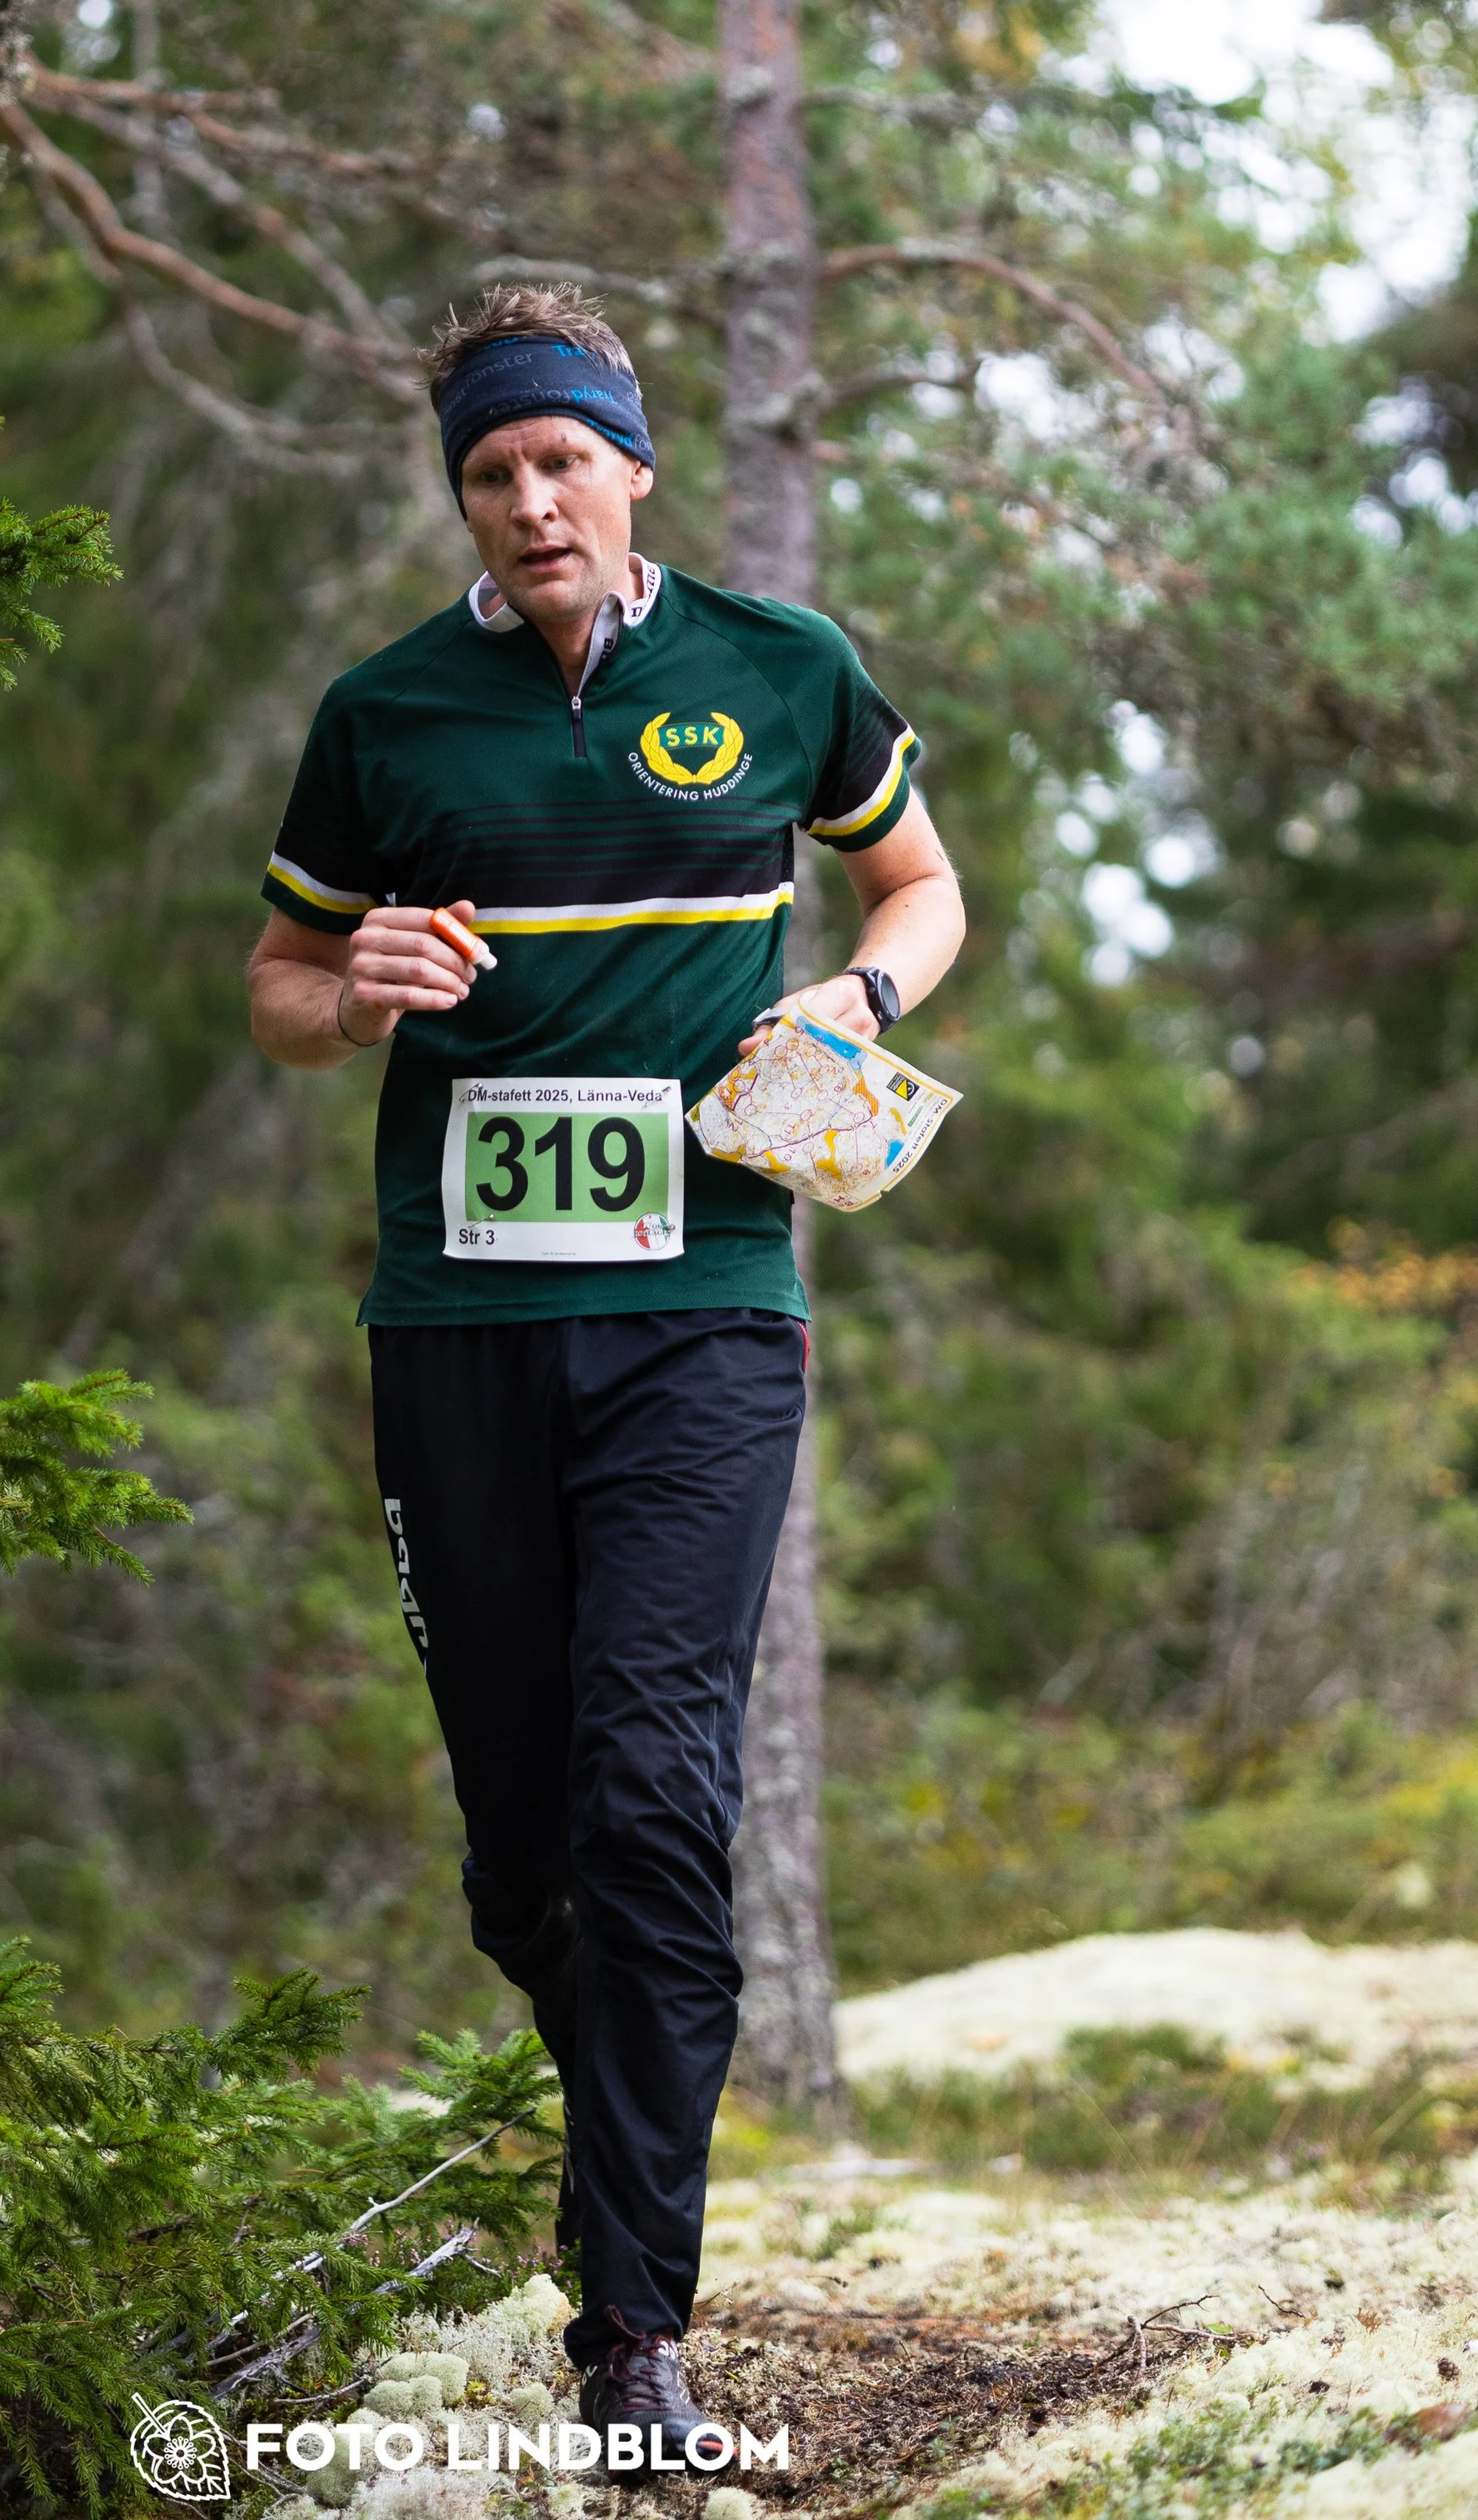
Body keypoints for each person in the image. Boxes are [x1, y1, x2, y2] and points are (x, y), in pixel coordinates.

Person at [247, 282, 964, 2450]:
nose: (530, 497)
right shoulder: (384, 717)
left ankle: (631, 2333)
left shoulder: (774, 668)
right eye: (489, 467)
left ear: (630, 463)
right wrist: (347, 983)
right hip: (455, 1325)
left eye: (562, 456)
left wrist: (852, 1004)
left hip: (707, 1310)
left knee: (658, 1793)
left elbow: (916, 885)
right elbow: (277, 980)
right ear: (460, 492)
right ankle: (625, 2129)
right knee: (521, 1858)